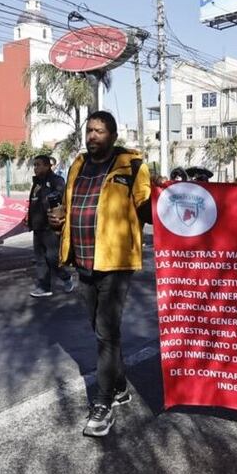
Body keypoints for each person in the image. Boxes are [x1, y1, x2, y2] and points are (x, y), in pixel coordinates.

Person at [49, 111, 151, 438]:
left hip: (116, 261)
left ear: (113, 134)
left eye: (100, 131)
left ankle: (103, 403)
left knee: (107, 330)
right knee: (99, 328)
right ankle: (120, 387)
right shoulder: (78, 165)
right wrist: (59, 216)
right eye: (89, 130)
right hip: (83, 259)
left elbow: (148, 207)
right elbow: (70, 203)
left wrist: (164, 198)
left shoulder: (132, 166)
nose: (93, 136)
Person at [26, 154, 76, 298]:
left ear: (47, 166)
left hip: (51, 227)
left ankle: (66, 277)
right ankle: (44, 287)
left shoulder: (56, 180)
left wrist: (53, 201)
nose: (35, 168)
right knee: (40, 258)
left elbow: (61, 196)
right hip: (37, 226)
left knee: (52, 258)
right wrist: (28, 218)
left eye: (38, 165)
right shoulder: (37, 183)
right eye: (34, 165)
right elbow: (34, 202)